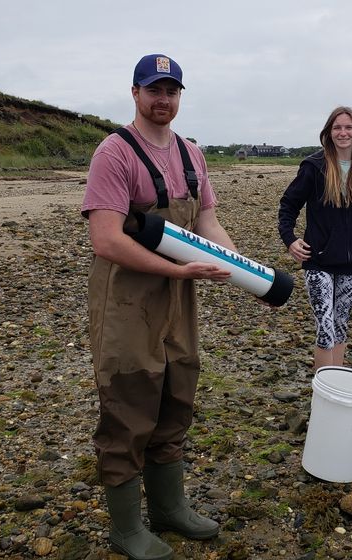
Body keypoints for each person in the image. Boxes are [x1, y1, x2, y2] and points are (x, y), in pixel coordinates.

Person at [82, 53, 240, 560]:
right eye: (154, 90)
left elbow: (208, 222)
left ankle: (169, 508)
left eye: (171, 92)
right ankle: (126, 529)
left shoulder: (192, 154)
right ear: (134, 93)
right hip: (127, 298)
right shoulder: (114, 153)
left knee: (177, 393)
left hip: (179, 296)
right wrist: (179, 270)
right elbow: (105, 240)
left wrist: (235, 264)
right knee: (129, 403)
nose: (163, 100)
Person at [278, 106, 352, 370]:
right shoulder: (314, 167)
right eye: (337, 127)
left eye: (348, 127)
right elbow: (288, 205)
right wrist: (290, 240)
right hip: (318, 262)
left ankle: (336, 390)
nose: (343, 132)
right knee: (325, 328)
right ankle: (324, 393)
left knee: (340, 325)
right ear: (328, 132)